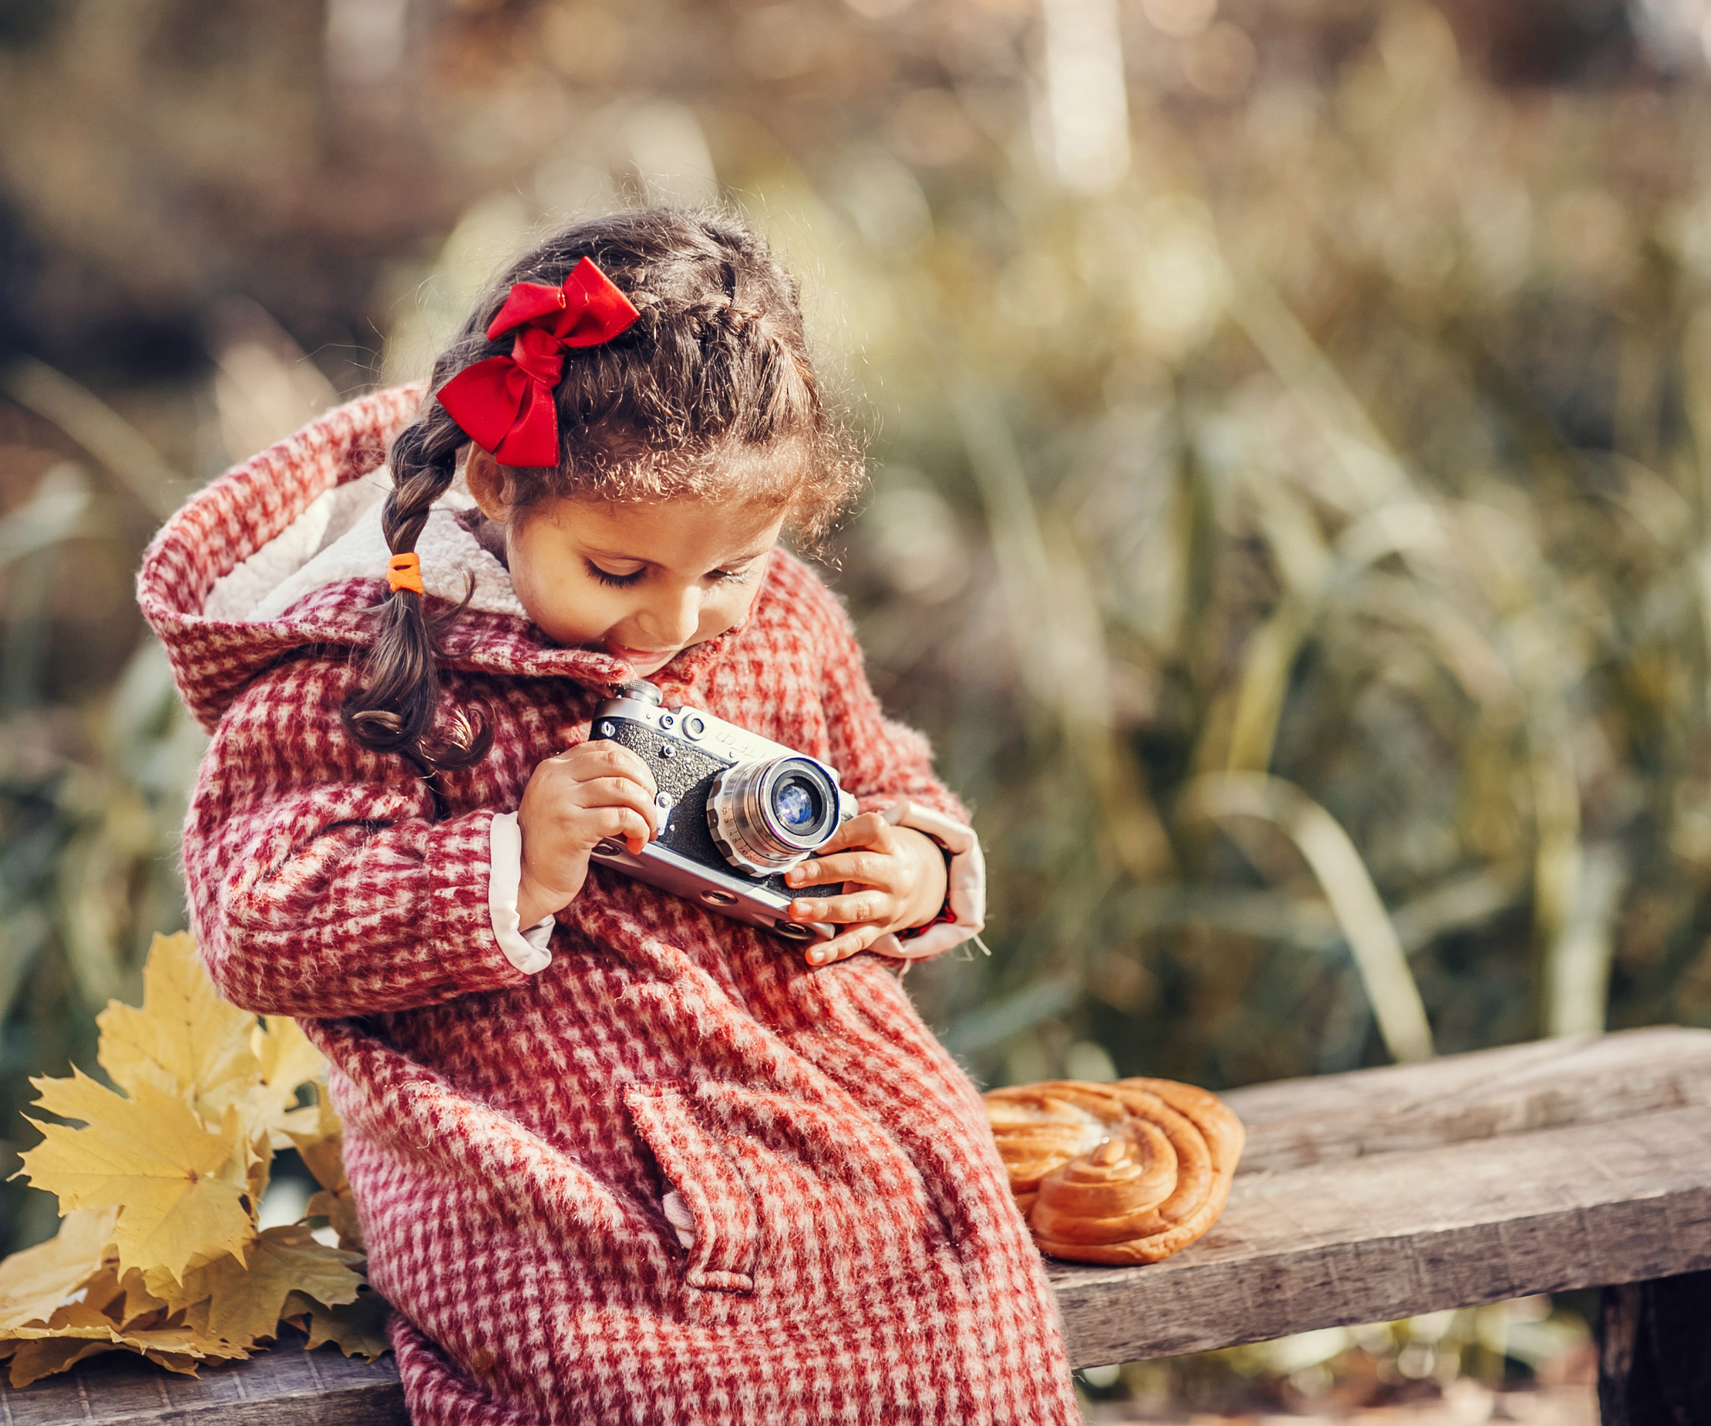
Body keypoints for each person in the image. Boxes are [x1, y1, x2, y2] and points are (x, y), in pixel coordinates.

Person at [139, 209, 1080, 1425]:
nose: (673, 621)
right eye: (620, 573)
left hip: (823, 1121)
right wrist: (506, 866)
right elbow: (259, 919)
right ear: (496, 484)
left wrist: (906, 860)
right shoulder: (370, 665)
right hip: (539, 1169)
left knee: (965, 1322)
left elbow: (885, 773)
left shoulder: (783, 620)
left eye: (727, 571)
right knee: (639, 1377)